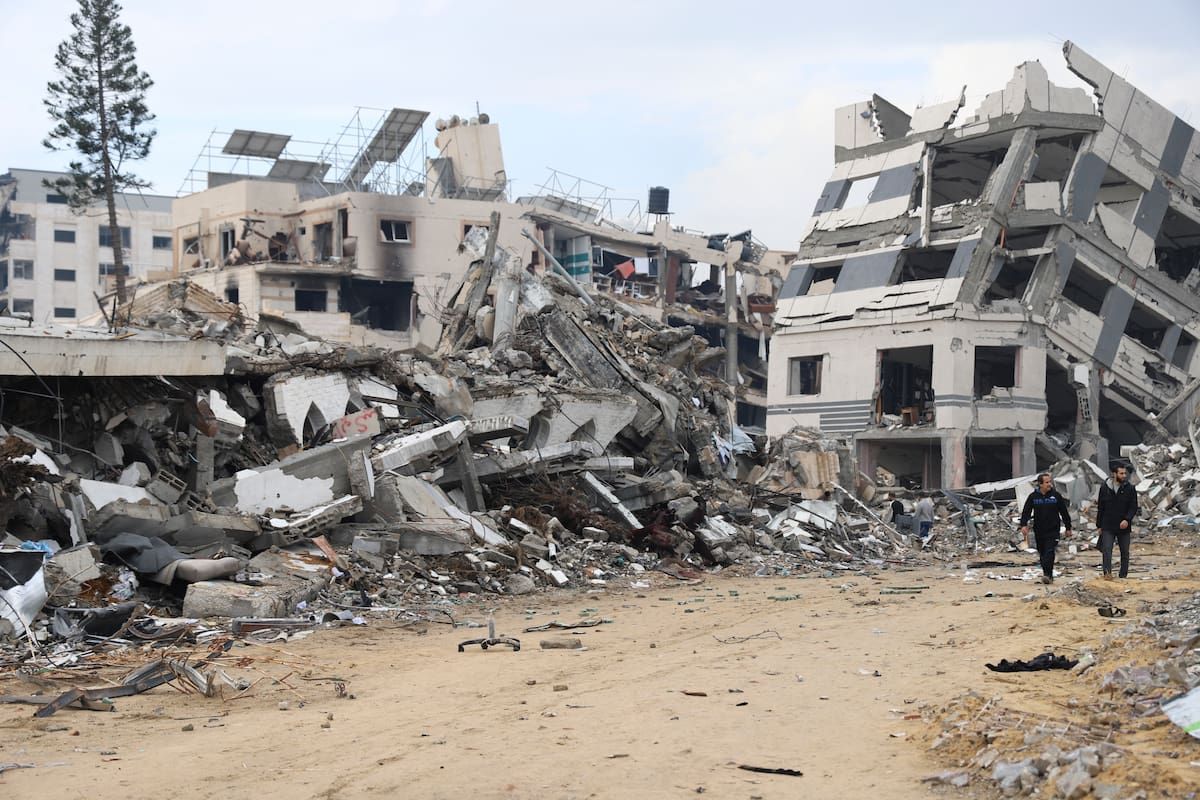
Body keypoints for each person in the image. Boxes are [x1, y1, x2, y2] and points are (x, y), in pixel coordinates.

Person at [1019, 473, 1072, 584]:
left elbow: (1064, 512)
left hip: (1053, 530)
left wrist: (1068, 527)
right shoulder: (1033, 497)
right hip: (1039, 530)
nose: (1049, 484)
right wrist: (1023, 525)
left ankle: (1048, 575)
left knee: (1049, 551)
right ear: (1040, 484)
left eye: (1050, 482)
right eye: (1047, 482)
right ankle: (1047, 574)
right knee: (1042, 553)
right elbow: (1026, 511)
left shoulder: (1055, 496)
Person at [1096, 463, 1138, 580]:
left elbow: (1133, 507)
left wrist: (1127, 519)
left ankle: (1123, 575)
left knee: (1124, 552)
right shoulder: (1105, 488)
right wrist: (1099, 525)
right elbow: (1101, 507)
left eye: (1125, 473)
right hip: (1108, 525)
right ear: (1114, 474)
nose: (1124, 476)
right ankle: (1107, 574)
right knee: (1107, 550)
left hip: (1124, 526)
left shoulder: (1130, 488)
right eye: (1121, 473)